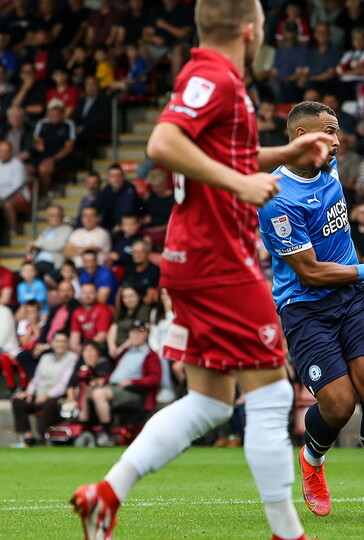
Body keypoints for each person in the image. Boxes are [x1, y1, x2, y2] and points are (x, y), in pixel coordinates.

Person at [71, 2, 335, 539]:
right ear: (250, 28)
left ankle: (105, 494)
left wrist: (286, 151)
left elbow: (227, 155)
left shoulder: (217, 79)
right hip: (218, 260)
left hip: (193, 258)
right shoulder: (214, 76)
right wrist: (240, 186)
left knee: (209, 402)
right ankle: (289, 533)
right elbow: (162, 144)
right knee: (270, 394)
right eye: (263, 21)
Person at [257, 101, 364, 521]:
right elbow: (308, 272)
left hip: (353, 298)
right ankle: (312, 457)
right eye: (328, 133)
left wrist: (358, 277)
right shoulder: (276, 198)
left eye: (337, 131)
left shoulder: (327, 169)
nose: (338, 141)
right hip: (306, 307)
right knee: (340, 405)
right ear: (300, 138)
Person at [11, 331, 78, 447]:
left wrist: (47, 395)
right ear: (52, 343)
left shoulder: (73, 358)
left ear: (67, 343)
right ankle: (28, 438)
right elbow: (36, 379)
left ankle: (42, 437)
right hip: (39, 394)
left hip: (57, 396)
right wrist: (29, 393)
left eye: (63, 341)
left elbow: (64, 383)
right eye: (57, 341)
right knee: (17, 401)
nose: (60, 344)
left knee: (50, 404)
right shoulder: (45, 358)